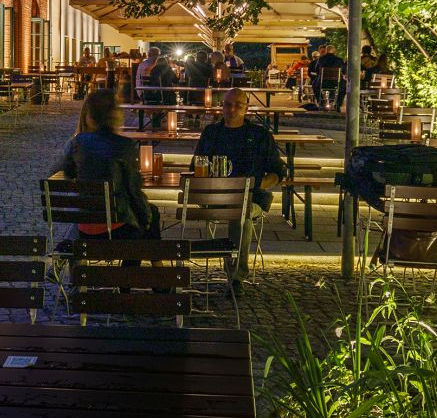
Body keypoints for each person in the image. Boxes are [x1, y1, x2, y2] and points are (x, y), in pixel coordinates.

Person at [190, 89, 288, 279]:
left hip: (250, 197)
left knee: (241, 211)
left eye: (238, 105)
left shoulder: (259, 136)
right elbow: (196, 165)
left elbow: (278, 170)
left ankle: (235, 276)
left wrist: (259, 184)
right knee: (238, 210)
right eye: (228, 104)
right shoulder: (212, 133)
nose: (232, 109)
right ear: (222, 106)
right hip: (215, 196)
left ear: (246, 108)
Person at [50, 87, 163, 240]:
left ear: (91, 116)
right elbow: (133, 191)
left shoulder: (77, 143)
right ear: (115, 115)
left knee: (146, 216)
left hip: (85, 227)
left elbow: (62, 173)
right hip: (118, 229)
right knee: (150, 215)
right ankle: (142, 263)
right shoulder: (126, 145)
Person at [311, 45, 346, 112]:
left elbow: (316, 70)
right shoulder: (339, 60)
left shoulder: (321, 59)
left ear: (326, 51)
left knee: (314, 84)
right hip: (336, 83)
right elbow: (344, 71)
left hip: (322, 83)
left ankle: (321, 102)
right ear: (334, 51)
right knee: (344, 87)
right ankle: (338, 104)